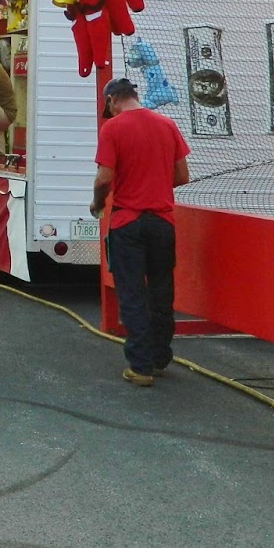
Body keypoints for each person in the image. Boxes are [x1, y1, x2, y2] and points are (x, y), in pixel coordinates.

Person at [91, 77, 191, 387]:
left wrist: (97, 203)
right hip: (163, 222)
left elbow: (103, 177)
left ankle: (141, 366)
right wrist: (156, 185)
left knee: (132, 292)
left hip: (127, 222)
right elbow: (182, 176)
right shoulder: (166, 124)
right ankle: (160, 358)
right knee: (161, 290)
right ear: (134, 95)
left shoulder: (113, 128)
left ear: (112, 101)